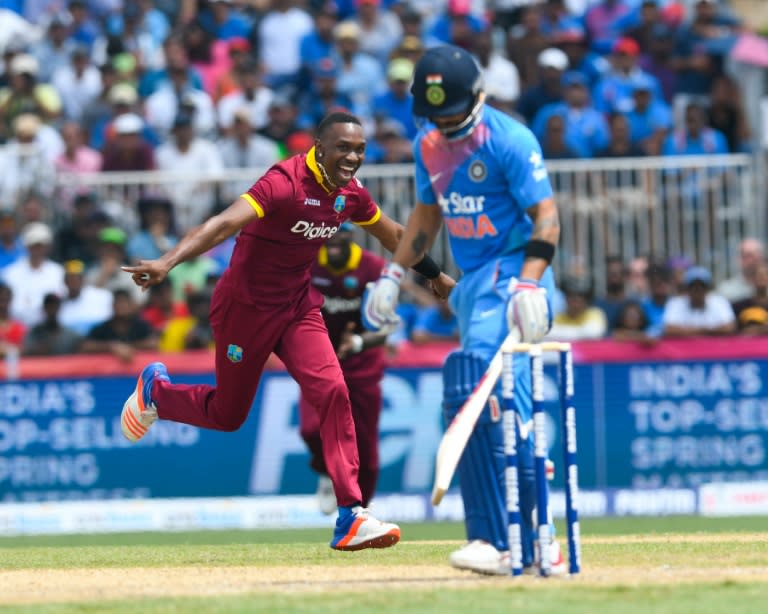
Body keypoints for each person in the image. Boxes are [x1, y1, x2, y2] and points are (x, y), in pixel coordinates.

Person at [120, 111, 454, 552]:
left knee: (335, 390)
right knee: (228, 414)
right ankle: (157, 394)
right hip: (245, 310)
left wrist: (433, 274)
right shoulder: (283, 182)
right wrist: (167, 262)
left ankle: (351, 513)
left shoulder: (349, 194)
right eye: (343, 147)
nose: (353, 157)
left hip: (297, 308)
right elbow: (223, 224)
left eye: (359, 149)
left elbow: (392, 234)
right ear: (319, 147)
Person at [362, 45, 564, 575]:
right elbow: (427, 214)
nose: (447, 125)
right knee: (505, 411)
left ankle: (496, 542)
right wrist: (392, 274)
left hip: (514, 279)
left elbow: (547, 219)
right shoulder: (428, 144)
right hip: (474, 287)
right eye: (438, 116)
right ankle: (538, 537)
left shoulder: (510, 139)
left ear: (478, 95)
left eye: (455, 113)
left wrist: (530, 283)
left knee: (471, 397)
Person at [299, 223, 389, 515]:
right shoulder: (307, 262)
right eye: (329, 231)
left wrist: (360, 342)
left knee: (365, 447)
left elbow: (385, 328)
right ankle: (327, 471)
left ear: (352, 235)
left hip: (362, 364)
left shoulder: (373, 268)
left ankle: (361, 512)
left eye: (342, 231)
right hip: (319, 360)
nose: (334, 237)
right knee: (312, 429)